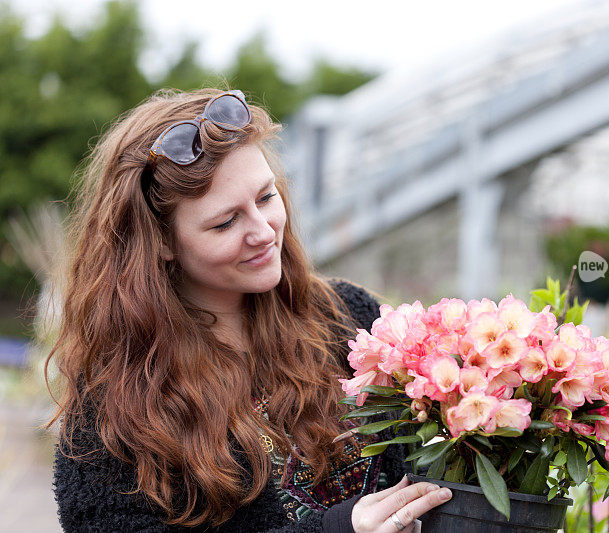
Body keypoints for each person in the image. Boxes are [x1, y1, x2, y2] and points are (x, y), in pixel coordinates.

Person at [44, 87, 452, 532]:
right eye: (225, 222)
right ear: (159, 242)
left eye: (265, 198)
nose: (263, 231)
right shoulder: (114, 399)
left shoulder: (348, 315)